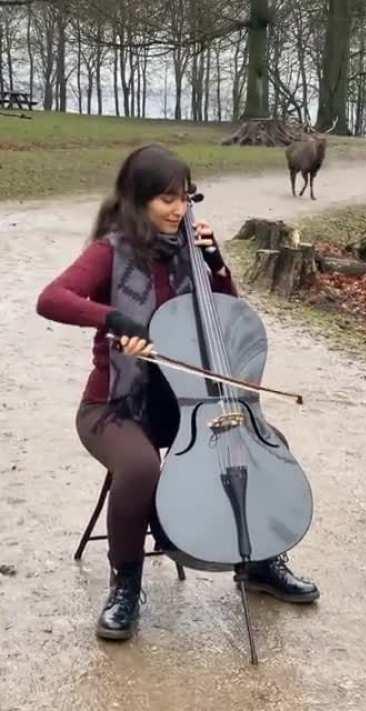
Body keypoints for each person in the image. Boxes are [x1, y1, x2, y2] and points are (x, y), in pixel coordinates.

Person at [36, 144, 319, 642]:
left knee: (265, 443)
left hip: (188, 402)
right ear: (138, 199)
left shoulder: (191, 251)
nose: (179, 210)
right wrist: (113, 318)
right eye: (166, 199)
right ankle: (126, 585)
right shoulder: (112, 250)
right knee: (142, 467)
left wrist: (215, 260)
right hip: (116, 404)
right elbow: (51, 299)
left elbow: (229, 321)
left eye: (185, 199)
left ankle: (261, 561)